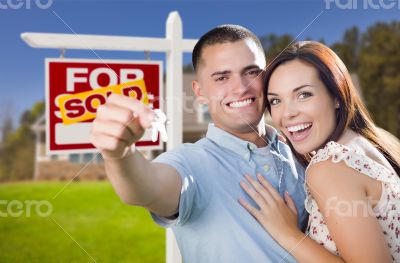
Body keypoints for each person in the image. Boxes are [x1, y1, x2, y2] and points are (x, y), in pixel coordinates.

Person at [90, 25, 308, 262]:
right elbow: (146, 187)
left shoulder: (299, 149)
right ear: (200, 91)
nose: (241, 87)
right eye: (222, 77)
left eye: (251, 72)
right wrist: (120, 156)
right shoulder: (190, 162)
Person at [239, 41, 400, 262]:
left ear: (335, 95)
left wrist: (288, 234)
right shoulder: (369, 144)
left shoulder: (330, 167)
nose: (287, 114)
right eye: (276, 101)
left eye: (304, 95)